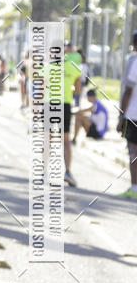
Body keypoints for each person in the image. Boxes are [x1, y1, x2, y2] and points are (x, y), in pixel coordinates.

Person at [117, 31, 137, 199]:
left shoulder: (135, 62)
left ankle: (134, 188)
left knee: (133, 152)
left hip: (133, 115)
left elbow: (128, 92)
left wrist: (121, 116)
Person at [63, 43, 82, 187]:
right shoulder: (73, 67)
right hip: (65, 104)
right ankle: (68, 172)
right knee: (66, 141)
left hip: (49, 104)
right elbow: (77, 90)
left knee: (47, 139)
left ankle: (42, 172)